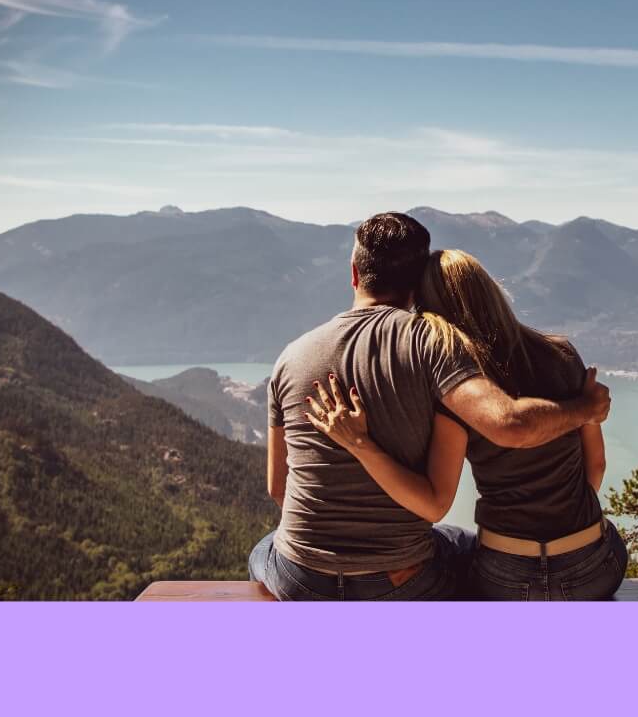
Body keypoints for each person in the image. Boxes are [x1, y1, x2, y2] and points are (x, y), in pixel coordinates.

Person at [249, 214, 611, 601]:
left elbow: (279, 488)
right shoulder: (434, 346)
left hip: (301, 578)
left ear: (354, 274)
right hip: (400, 580)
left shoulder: (291, 357)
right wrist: (584, 409)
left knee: (263, 549)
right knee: (456, 543)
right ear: (416, 283)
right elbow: (506, 429)